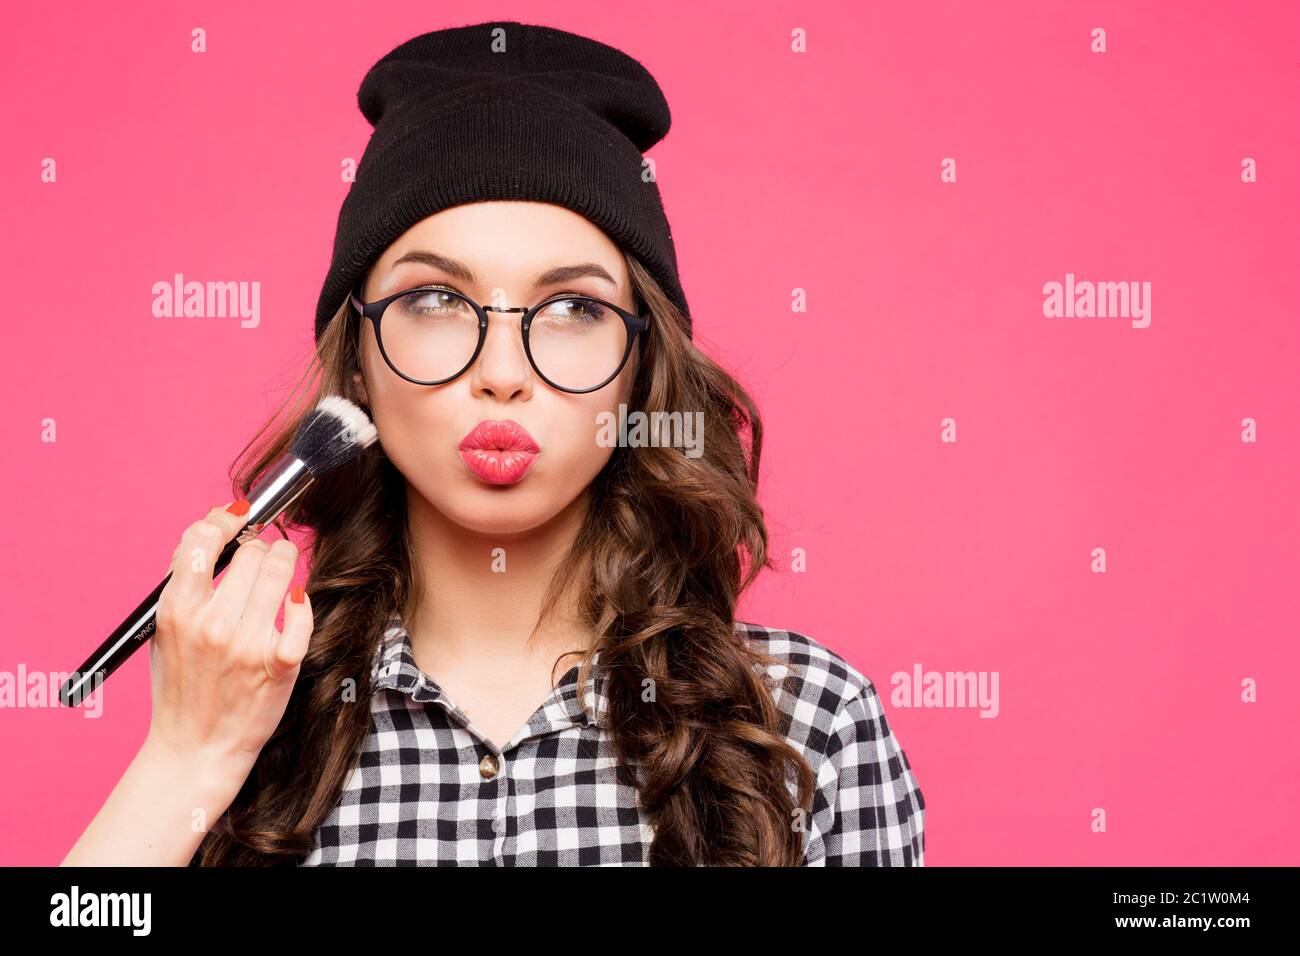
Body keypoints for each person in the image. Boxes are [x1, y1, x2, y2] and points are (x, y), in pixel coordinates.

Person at [61, 20, 924, 867]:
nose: (504, 372)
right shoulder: (246, 710)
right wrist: (182, 764)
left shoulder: (809, 722)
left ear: (639, 368)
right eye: (434, 300)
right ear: (356, 364)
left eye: (574, 308)